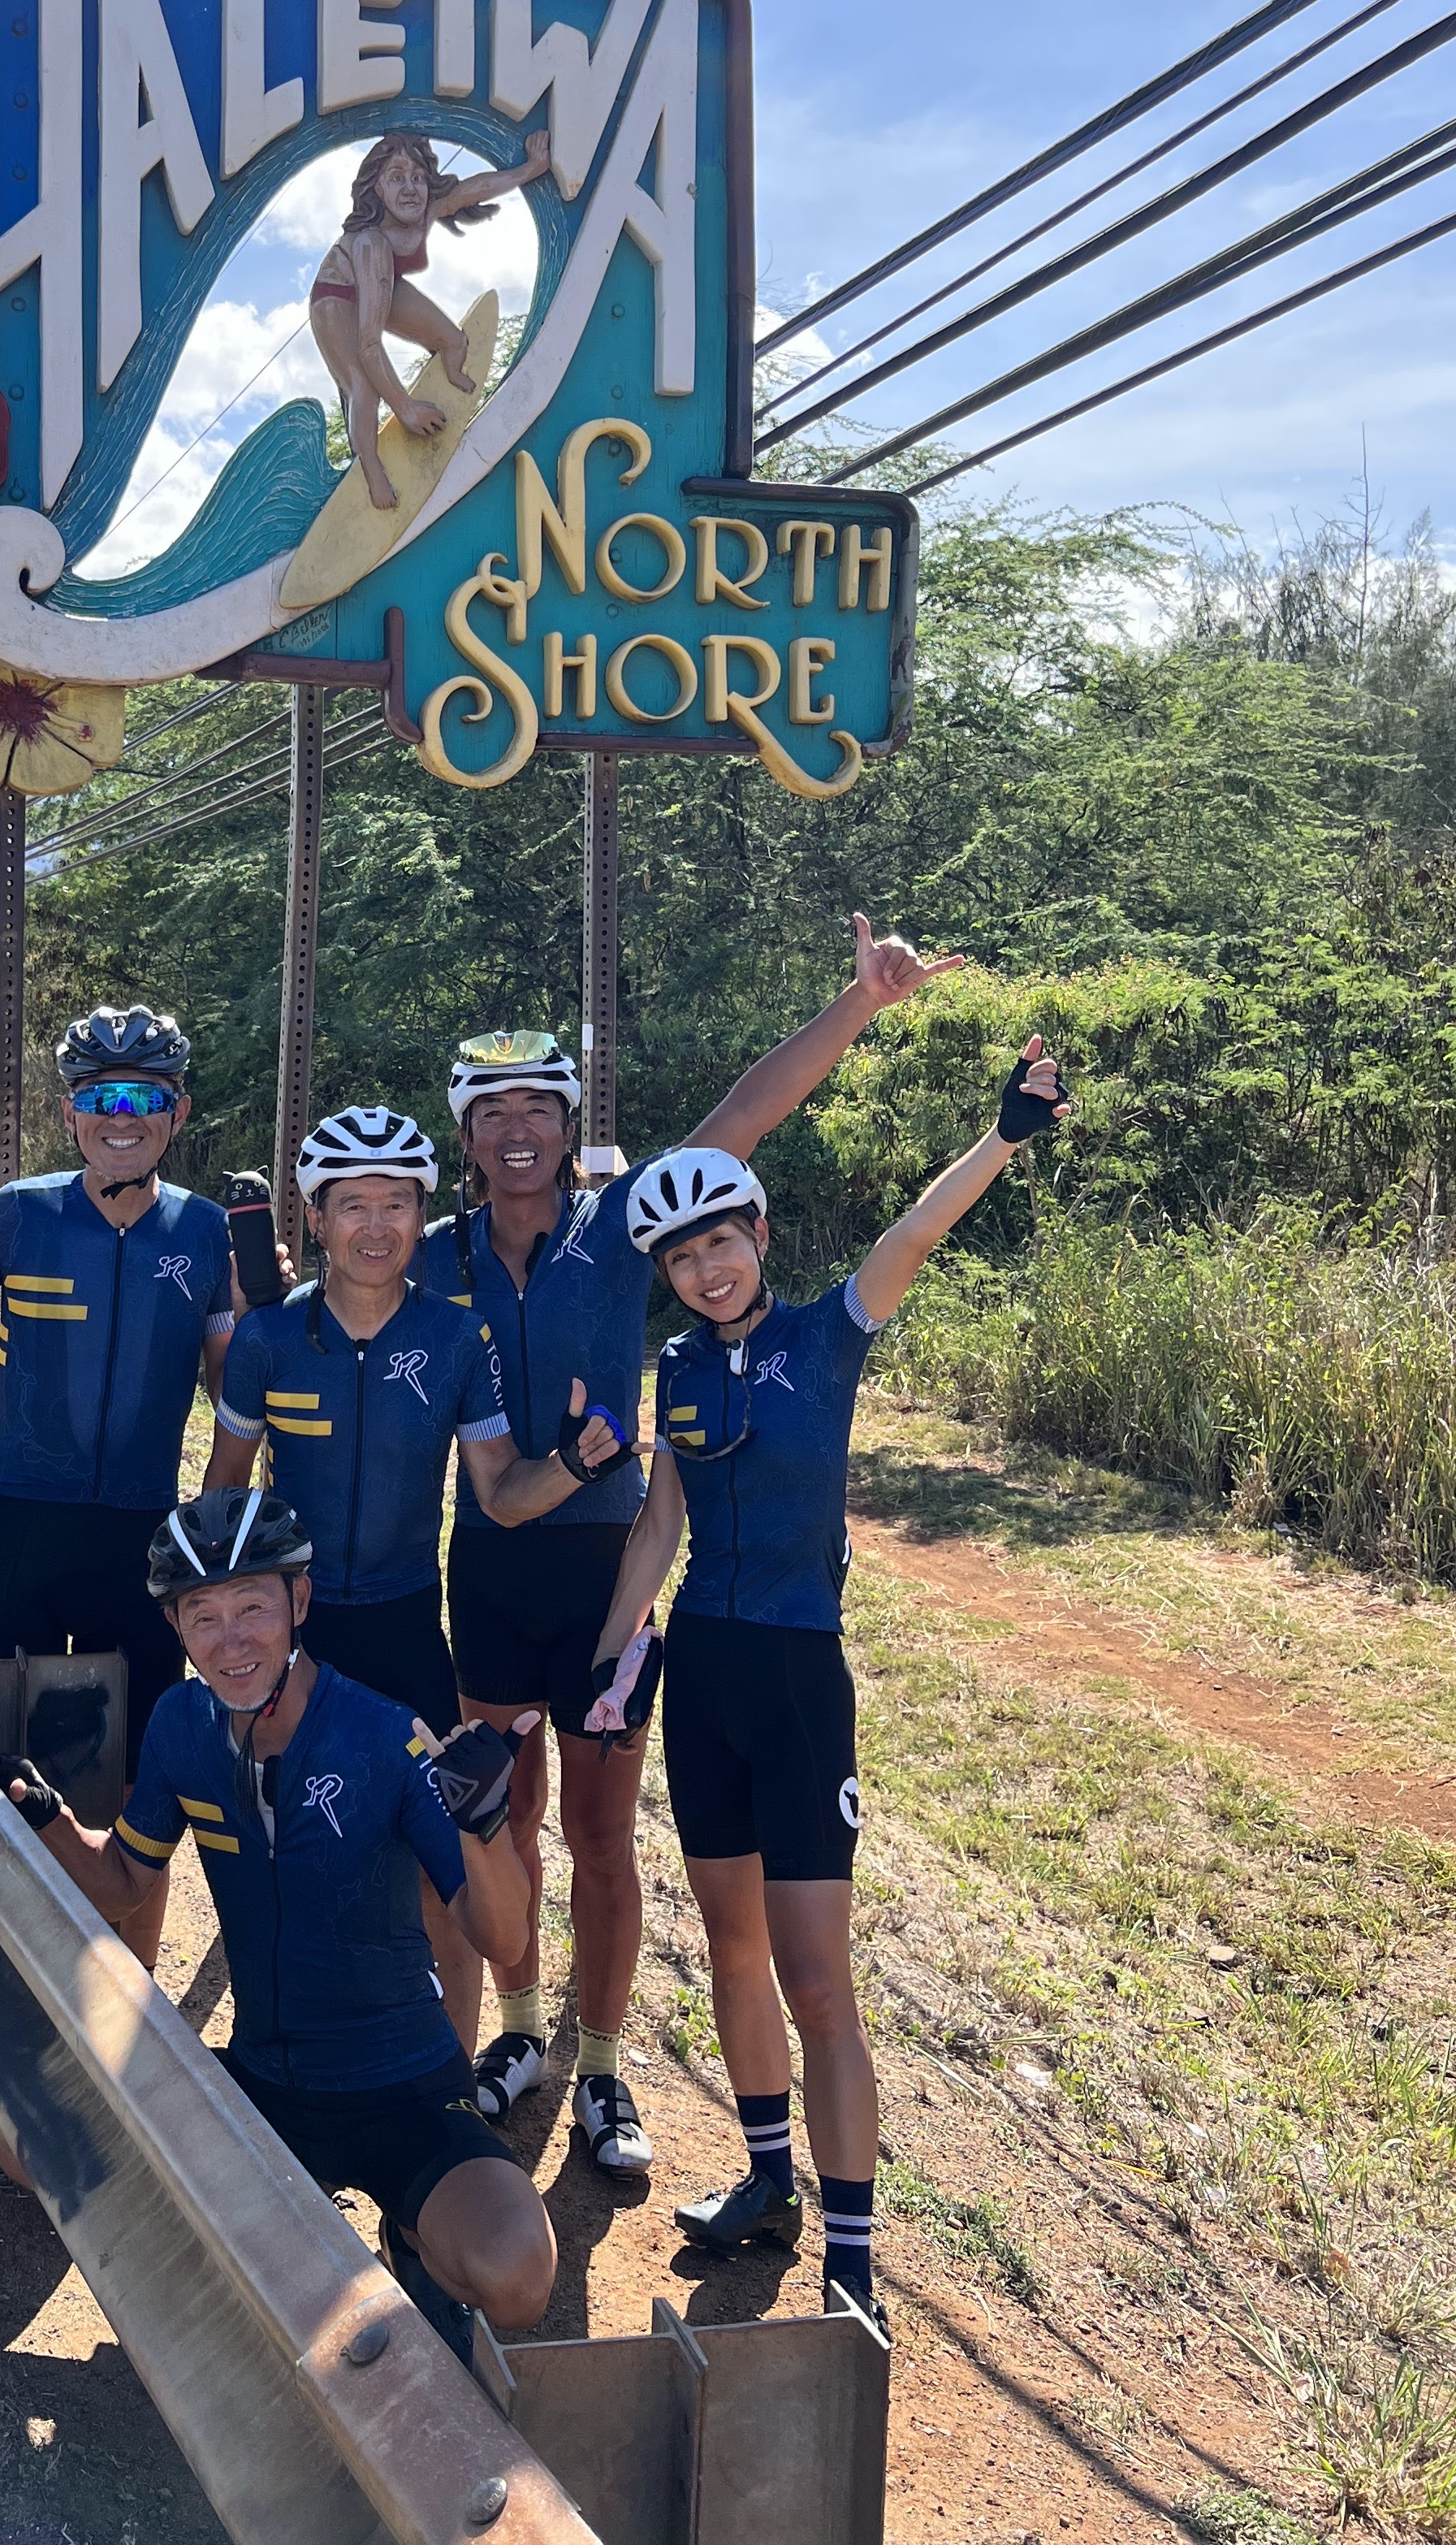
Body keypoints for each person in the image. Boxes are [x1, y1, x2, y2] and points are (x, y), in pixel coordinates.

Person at [419, 918, 965, 2179]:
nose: (517, 1130)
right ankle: (520, 2031)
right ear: (468, 1138)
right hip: (488, 1567)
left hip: (604, 1565)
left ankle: (604, 2065)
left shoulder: (619, 1227)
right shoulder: (436, 1256)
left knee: (601, 1836)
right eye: (492, 1113)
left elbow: (745, 1117)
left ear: (568, 1126)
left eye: (538, 1108)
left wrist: (858, 1004)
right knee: (504, 1818)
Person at [583, 1042, 1071, 2329]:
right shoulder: (681, 1371)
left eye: (721, 1241)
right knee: (732, 1951)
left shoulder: (826, 1335)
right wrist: (606, 1664)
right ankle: (767, 2183)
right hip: (705, 1678)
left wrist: (1004, 1138)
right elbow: (658, 1528)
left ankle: (853, 2265)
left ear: (758, 1232)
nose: (706, 1269)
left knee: (816, 1979)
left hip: (800, 1681)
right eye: (681, 1258)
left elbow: (914, 1233)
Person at [0, 1486, 556, 2365]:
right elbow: (123, 1882)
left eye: (253, 1608)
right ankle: (239, 2253)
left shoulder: (385, 1737)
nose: (231, 1642)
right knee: (24, 2138)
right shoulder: (181, 1726)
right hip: (261, 2087)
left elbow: (502, 1941)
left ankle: (410, 2240)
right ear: (175, 1626)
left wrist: (486, 1829)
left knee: (517, 2275)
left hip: (403, 2088)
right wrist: (41, 1810)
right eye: (203, 1616)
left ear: (299, 1602)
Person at [202, 1104, 587, 2045]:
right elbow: (224, 1494)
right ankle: (287, 2064)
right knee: (290, 1862)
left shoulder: (457, 1339)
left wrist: (579, 1463)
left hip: (408, 1630)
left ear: (424, 1216)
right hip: (297, 1638)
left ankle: (444, 2087)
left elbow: (500, 1493)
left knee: (437, 1872)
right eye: (353, 1206)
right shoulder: (267, 1341)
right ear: (317, 1218)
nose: (376, 1227)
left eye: (398, 1205)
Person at [0, 1004, 244, 1960]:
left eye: (144, 1098)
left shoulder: (206, 1232)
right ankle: (14, 1978)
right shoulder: (19, 1214)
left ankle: (130, 1992)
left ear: (177, 1111)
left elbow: (233, 1397)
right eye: (100, 1098)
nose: (122, 1118)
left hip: (140, 1535)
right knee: (2, 1765)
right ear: (70, 1112)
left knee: (135, 1785)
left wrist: (261, 1311)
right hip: (19, 1529)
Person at [307, 128, 549, 509]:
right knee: (363, 387)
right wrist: (405, 409)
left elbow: (475, 189)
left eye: (418, 178)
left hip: (384, 282)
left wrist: (531, 169)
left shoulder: (426, 210)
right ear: (377, 189)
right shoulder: (370, 244)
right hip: (336, 297)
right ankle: (372, 473)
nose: (410, 189)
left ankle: (448, 381)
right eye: (396, 178)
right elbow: (369, 346)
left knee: (453, 342)